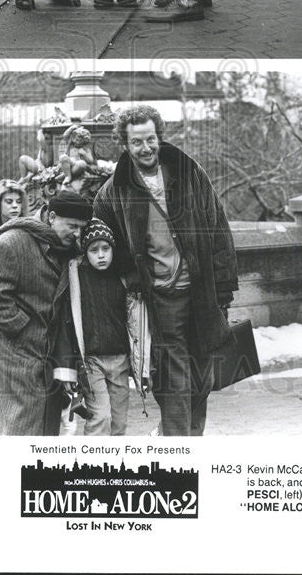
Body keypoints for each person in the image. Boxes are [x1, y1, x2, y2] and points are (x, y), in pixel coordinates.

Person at [93, 105, 238, 437]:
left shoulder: (189, 173)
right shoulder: (113, 191)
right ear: (125, 146)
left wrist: (225, 287)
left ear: (159, 137)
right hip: (160, 300)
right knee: (174, 380)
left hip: (202, 293)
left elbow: (218, 228)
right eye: (137, 143)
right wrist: (130, 276)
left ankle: (188, 439)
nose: (146, 148)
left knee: (203, 376)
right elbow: (103, 244)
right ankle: (177, 448)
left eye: (150, 139)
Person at [0, 189, 93, 435]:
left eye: (81, 228)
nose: (77, 234)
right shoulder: (12, 242)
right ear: (51, 217)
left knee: (41, 419)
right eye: (72, 225)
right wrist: (24, 329)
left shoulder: (61, 246)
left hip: (42, 350)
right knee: (19, 420)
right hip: (13, 351)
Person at [61, 218, 150, 435]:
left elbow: (137, 323)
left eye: (105, 248)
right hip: (92, 361)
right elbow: (67, 323)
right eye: (94, 250)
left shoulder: (123, 278)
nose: (101, 255)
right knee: (100, 417)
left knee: (119, 422)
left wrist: (144, 366)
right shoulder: (77, 276)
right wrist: (69, 367)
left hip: (120, 358)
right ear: (85, 251)